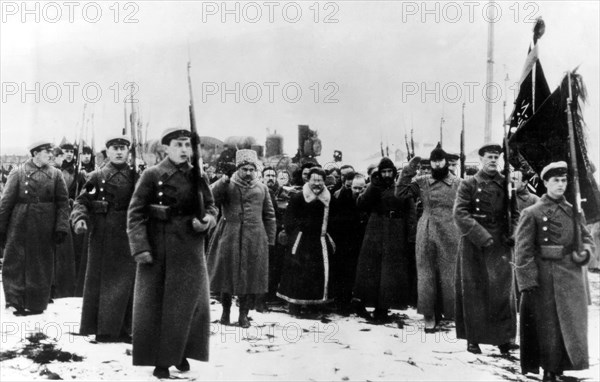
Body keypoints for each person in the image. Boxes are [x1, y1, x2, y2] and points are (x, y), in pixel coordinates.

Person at [127, 128, 218, 378]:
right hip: (159, 246)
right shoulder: (152, 175)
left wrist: (207, 221)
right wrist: (141, 247)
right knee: (157, 306)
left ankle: (181, 352)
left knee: (188, 305)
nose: (184, 150)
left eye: (187, 145)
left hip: (190, 247)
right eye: (178, 145)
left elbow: (211, 206)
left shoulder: (198, 175)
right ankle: (161, 359)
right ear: (165, 148)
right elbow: (135, 213)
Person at [515, 161, 595, 382]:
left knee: (570, 326)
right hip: (545, 275)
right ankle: (549, 370)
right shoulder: (532, 212)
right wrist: (527, 281)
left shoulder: (574, 210)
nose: (560, 185)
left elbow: (587, 238)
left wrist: (586, 253)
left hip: (572, 275)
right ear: (545, 183)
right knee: (549, 326)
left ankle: (563, 366)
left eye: (563, 180)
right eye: (555, 181)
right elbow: (523, 251)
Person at [453, 144, 518, 355]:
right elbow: (460, 214)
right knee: (475, 292)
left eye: (496, 157)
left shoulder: (505, 184)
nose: (493, 160)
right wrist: (481, 236)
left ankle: (504, 339)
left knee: (501, 292)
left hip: (500, 242)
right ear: (481, 159)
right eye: (489, 157)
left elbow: (515, 214)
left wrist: (513, 234)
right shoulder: (469, 184)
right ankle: (473, 338)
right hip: (475, 243)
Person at [71, 136, 136, 342]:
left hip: (128, 235)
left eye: (123, 149)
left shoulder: (138, 177)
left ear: (128, 152)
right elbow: (82, 201)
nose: (119, 152)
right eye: (114, 149)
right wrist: (80, 219)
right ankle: (102, 329)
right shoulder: (96, 177)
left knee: (128, 283)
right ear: (107, 152)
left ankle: (126, 329)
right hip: (102, 235)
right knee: (101, 283)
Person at [207, 149, 276, 328]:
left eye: (251, 169)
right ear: (238, 169)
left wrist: (269, 239)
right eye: (244, 169)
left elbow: (269, 215)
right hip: (229, 234)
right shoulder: (227, 184)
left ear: (255, 170)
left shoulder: (262, 188)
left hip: (254, 237)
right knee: (226, 275)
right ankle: (226, 312)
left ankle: (243, 315)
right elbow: (210, 197)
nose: (247, 172)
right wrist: (223, 180)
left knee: (249, 277)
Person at [0, 141, 69, 316]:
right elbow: (6, 202)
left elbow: (63, 203)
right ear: (36, 153)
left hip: (45, 224)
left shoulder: (56, 174)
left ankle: (37, 302)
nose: (50, 155)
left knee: (42, 263)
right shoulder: (18, 172)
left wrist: (61, 226)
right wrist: (1, 227)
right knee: (15, 262)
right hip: (20, 222)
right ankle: (13, 301)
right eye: (47, 151)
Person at [396, 146, 460, 331]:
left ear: (446, 162)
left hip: (451, 231)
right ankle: (429, 315)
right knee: (426, 274)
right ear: (430, 163)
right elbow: (400, 193)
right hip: (427, 230)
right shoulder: (422, 181)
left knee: (449, 274)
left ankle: (449, 312)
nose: (437, 163)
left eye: (441, 160)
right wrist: (408, 170)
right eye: (434, 160)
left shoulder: (459, 183)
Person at [353, 157, 416, 321]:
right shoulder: (374, 187)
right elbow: (360, 203)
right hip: (376, 229)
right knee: (372, 268)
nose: (387, 175)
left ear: (394, 173)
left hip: (395, 230)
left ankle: (383, 307)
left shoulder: (401, 187)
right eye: (384, 172)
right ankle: (366, 302)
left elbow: (411, 211)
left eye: (389, 171)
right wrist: (373, 186)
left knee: (390, 271)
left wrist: (411, 235)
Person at [277, 168, 335, 316]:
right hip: (301, 240)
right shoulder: (298, 197)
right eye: (314, 180)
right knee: (297, 272)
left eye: (320, 180)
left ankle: (314, 305)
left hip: (320, 241)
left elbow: (334, 219)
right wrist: (295, 234)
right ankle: (294, 305)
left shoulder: (329, 198)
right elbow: (289, 219)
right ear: (308, 180)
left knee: (317, 273)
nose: (317, 184)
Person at [330, 171, 367, 315]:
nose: (358, 191)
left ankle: (358, 303)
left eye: (361, 188)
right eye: (355, 188)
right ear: (350, 187)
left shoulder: (366, 200)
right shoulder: (342, 200)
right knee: (344, 274)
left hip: (361, 242)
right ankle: (343, 303)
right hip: (345, 243)